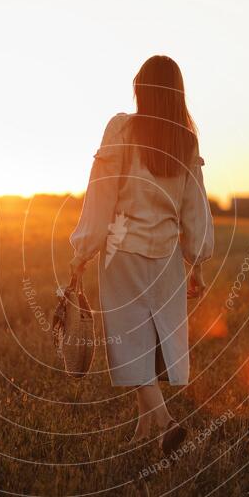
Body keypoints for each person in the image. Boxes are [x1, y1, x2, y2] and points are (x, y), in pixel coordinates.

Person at [69, 55, 214, 454]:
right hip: (166, 260)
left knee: (128, 346)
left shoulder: (122, 128)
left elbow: (102, 190)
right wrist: (196, 263)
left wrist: (84, 247)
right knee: (146, 346)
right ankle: (144, 430)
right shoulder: (186, 140)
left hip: (123, 256)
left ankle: (166, 423)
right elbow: (194, 207)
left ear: (141, 88)